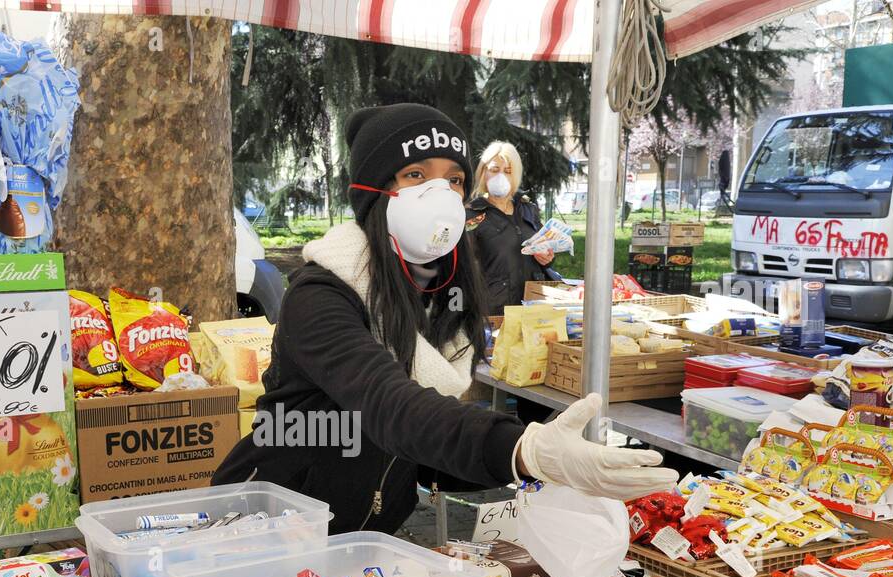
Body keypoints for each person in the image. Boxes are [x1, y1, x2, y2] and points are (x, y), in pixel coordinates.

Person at [211, 103, 676, 534]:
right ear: (376, 192)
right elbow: (392, 407)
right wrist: (521, 449)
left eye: (454, 179)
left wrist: (537, 473)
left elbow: (424, 447)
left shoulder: (442, 298)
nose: (440, 193)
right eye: (415, 174)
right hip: (268, 523)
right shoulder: (320, 295)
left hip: (366, 538)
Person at [464, 141, 561, 315]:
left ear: (515, 175)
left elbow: (543, 250)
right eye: (494, 170)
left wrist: (547, 259)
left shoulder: (527, 209)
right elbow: (464, 268)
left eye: (508, 171)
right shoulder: (471, 214)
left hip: (533, 306)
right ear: (483, 172)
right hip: (494, 310)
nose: (500, 176)